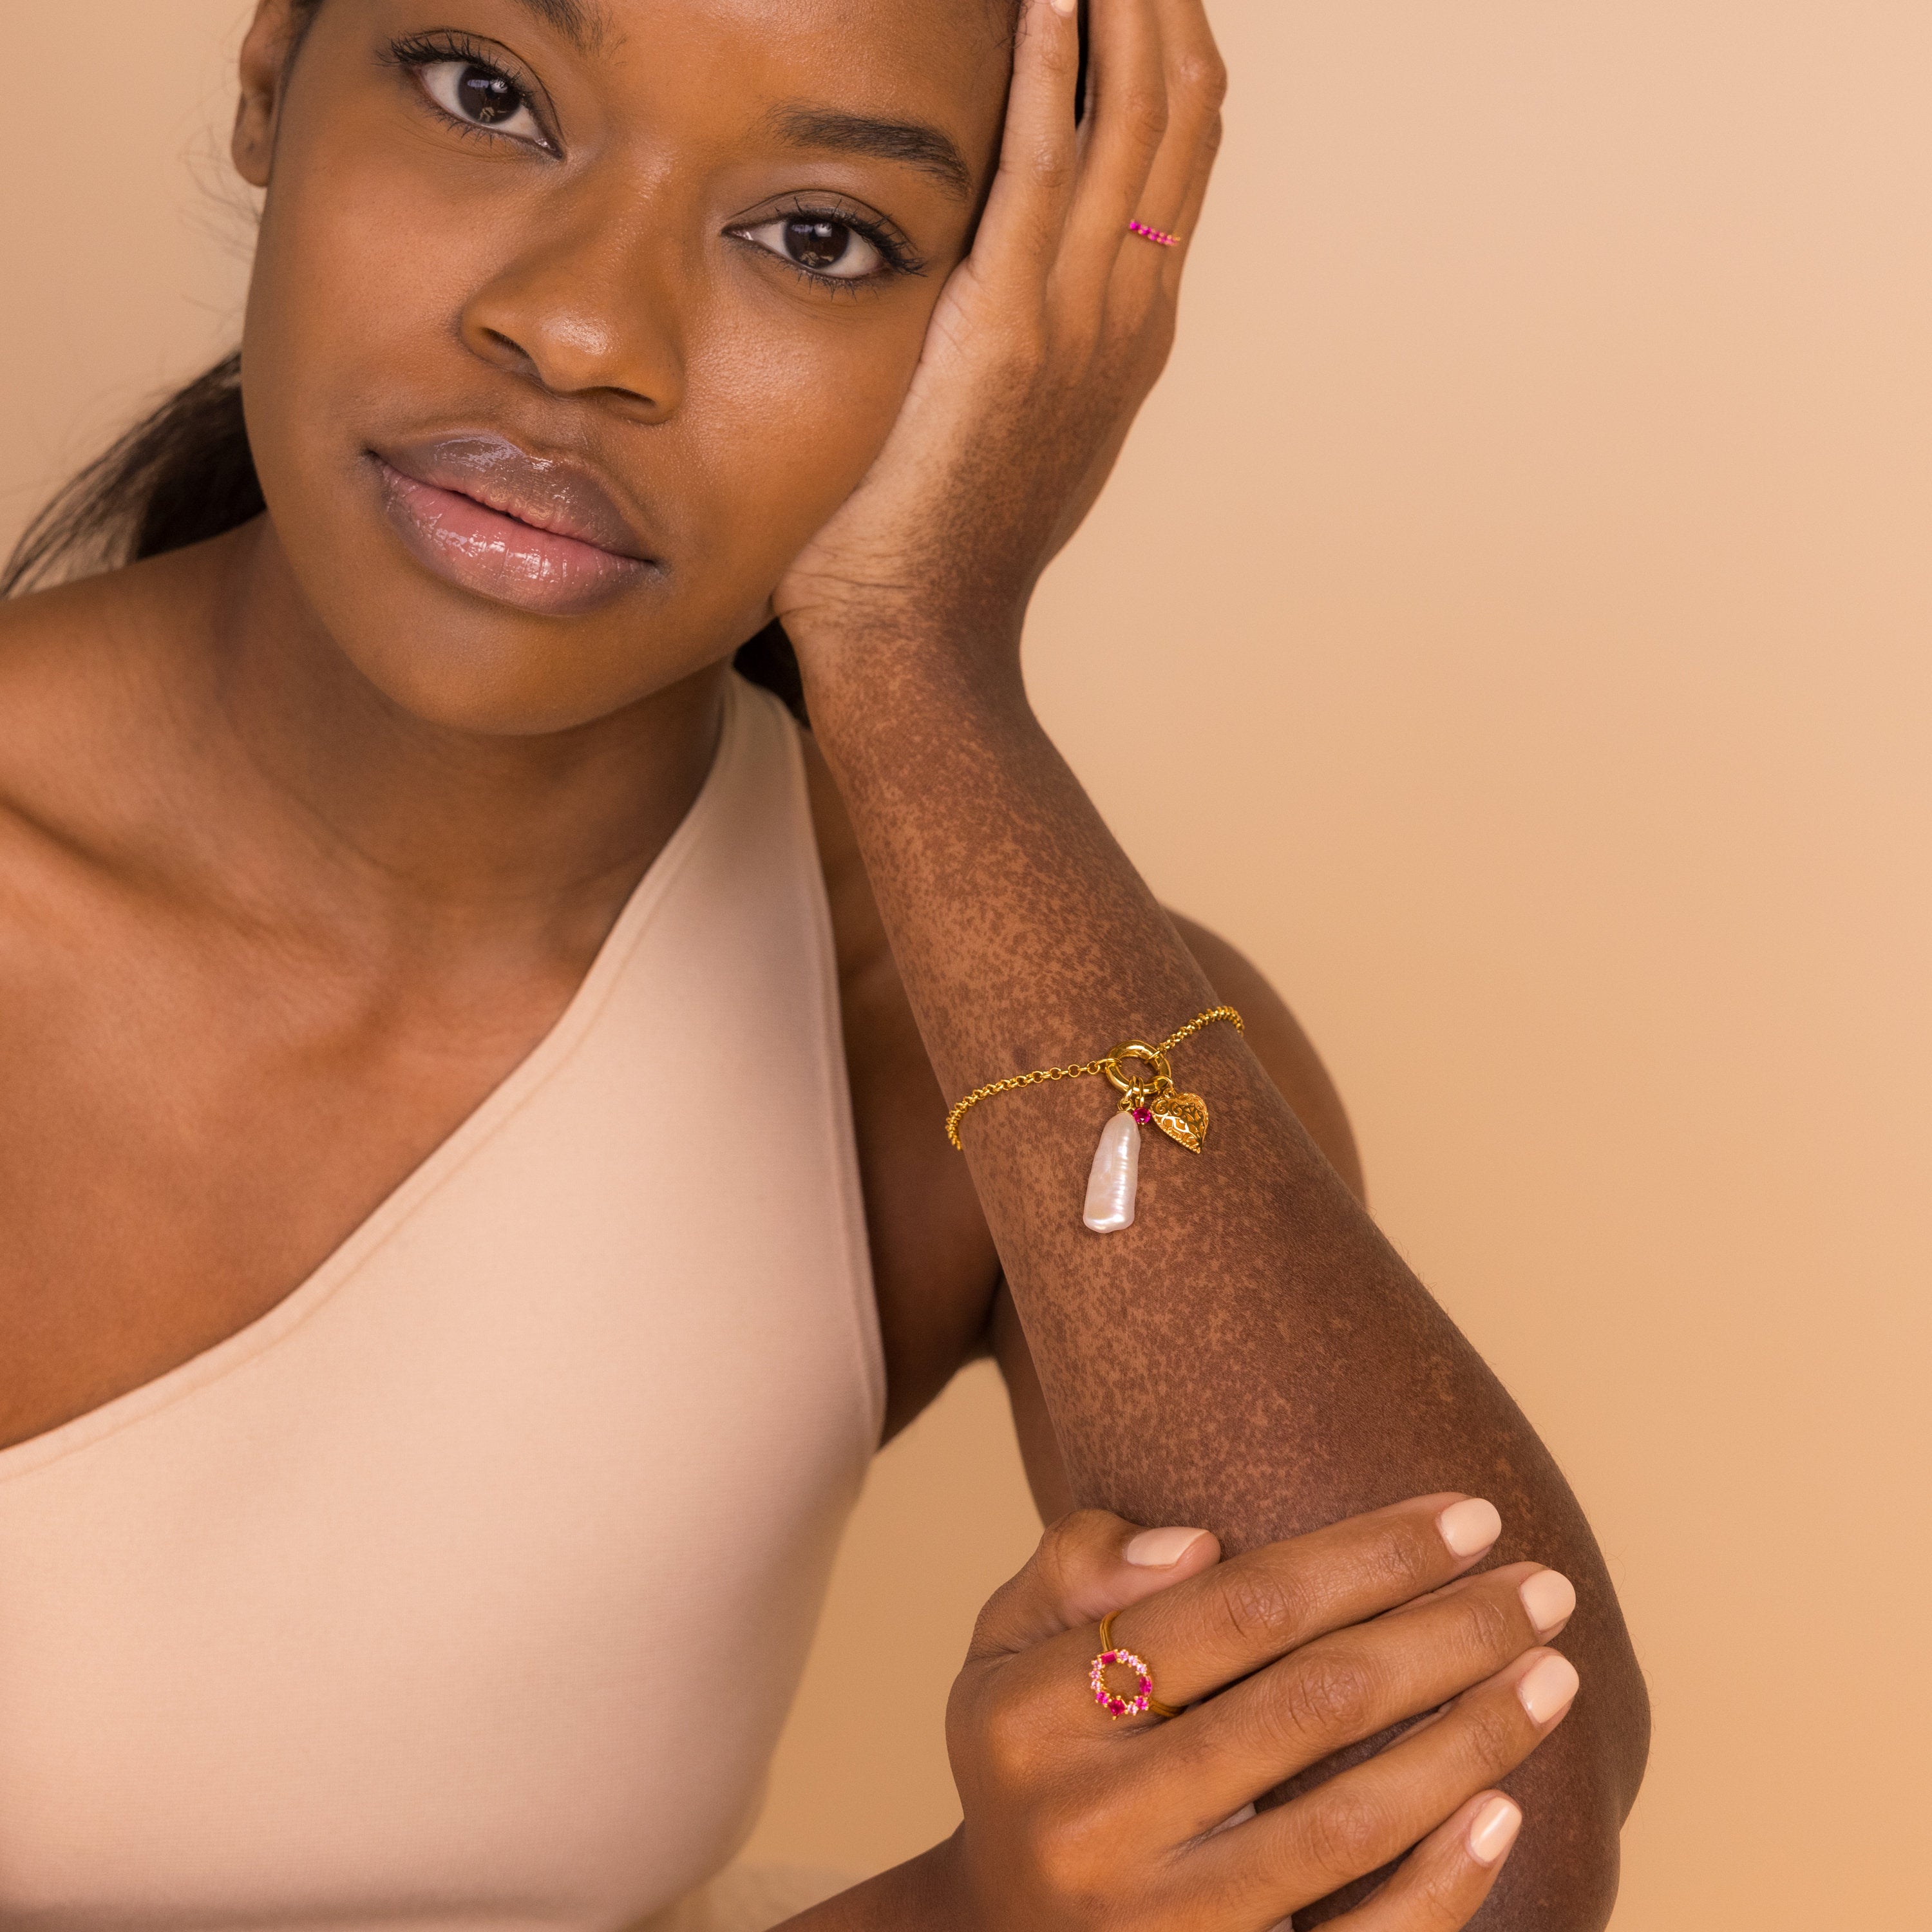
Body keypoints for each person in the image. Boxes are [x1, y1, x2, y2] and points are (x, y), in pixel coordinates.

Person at [0, 1, 1648, 1926]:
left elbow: (1498, 1868)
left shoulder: (980, 1054)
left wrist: (921, 649)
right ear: (273, 71)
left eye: (822, 237)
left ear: (1010, 334)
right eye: (489, 95)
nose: (584, 331)